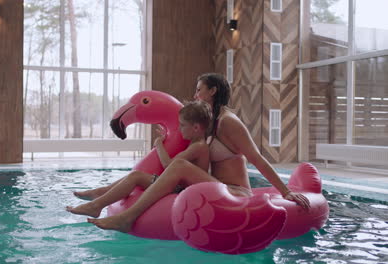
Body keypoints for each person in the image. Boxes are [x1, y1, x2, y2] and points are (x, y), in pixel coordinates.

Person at [85, 73, 311, 233]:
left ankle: (127, 217)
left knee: (180, 166)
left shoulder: (229, 122)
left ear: (212, 91)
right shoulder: (206, 122)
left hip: (235, 192)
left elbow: (257, 158)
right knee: (165, 170)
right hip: (212, 186)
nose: (195, 93)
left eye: (199, 89)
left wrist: (286, 191)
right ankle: (100, 199)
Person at [66, 100, 212, 218]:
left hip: (180, 190)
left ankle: (96, 206)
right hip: (179, 186)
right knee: (133, 175)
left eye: (182, 125)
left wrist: (159, 145)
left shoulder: (197, 147)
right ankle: (101, 192)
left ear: (196, 128)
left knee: (136, 176)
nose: (179, 129)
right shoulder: (196, 143)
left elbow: (169, 165)